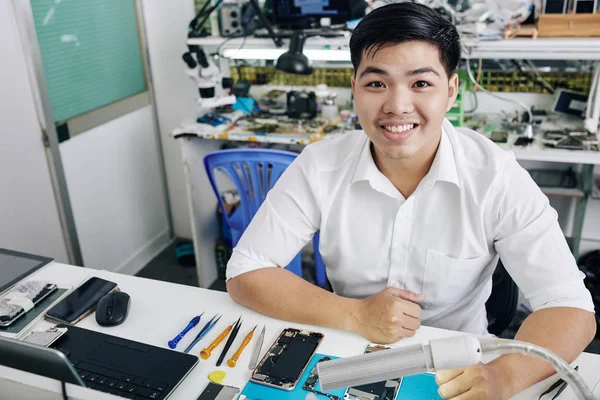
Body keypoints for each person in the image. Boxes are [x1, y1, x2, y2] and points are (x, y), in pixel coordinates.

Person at [225, 3, 596, 399]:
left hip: (459, 369)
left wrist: (505, 377)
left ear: (451, 90)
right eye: (376, 83)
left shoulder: (495, 178)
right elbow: (246, 270)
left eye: (420, 84)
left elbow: (571, 307)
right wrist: (353, 313)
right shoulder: (320, 165)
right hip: (348, 354)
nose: (397, 106)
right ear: (354, 87)